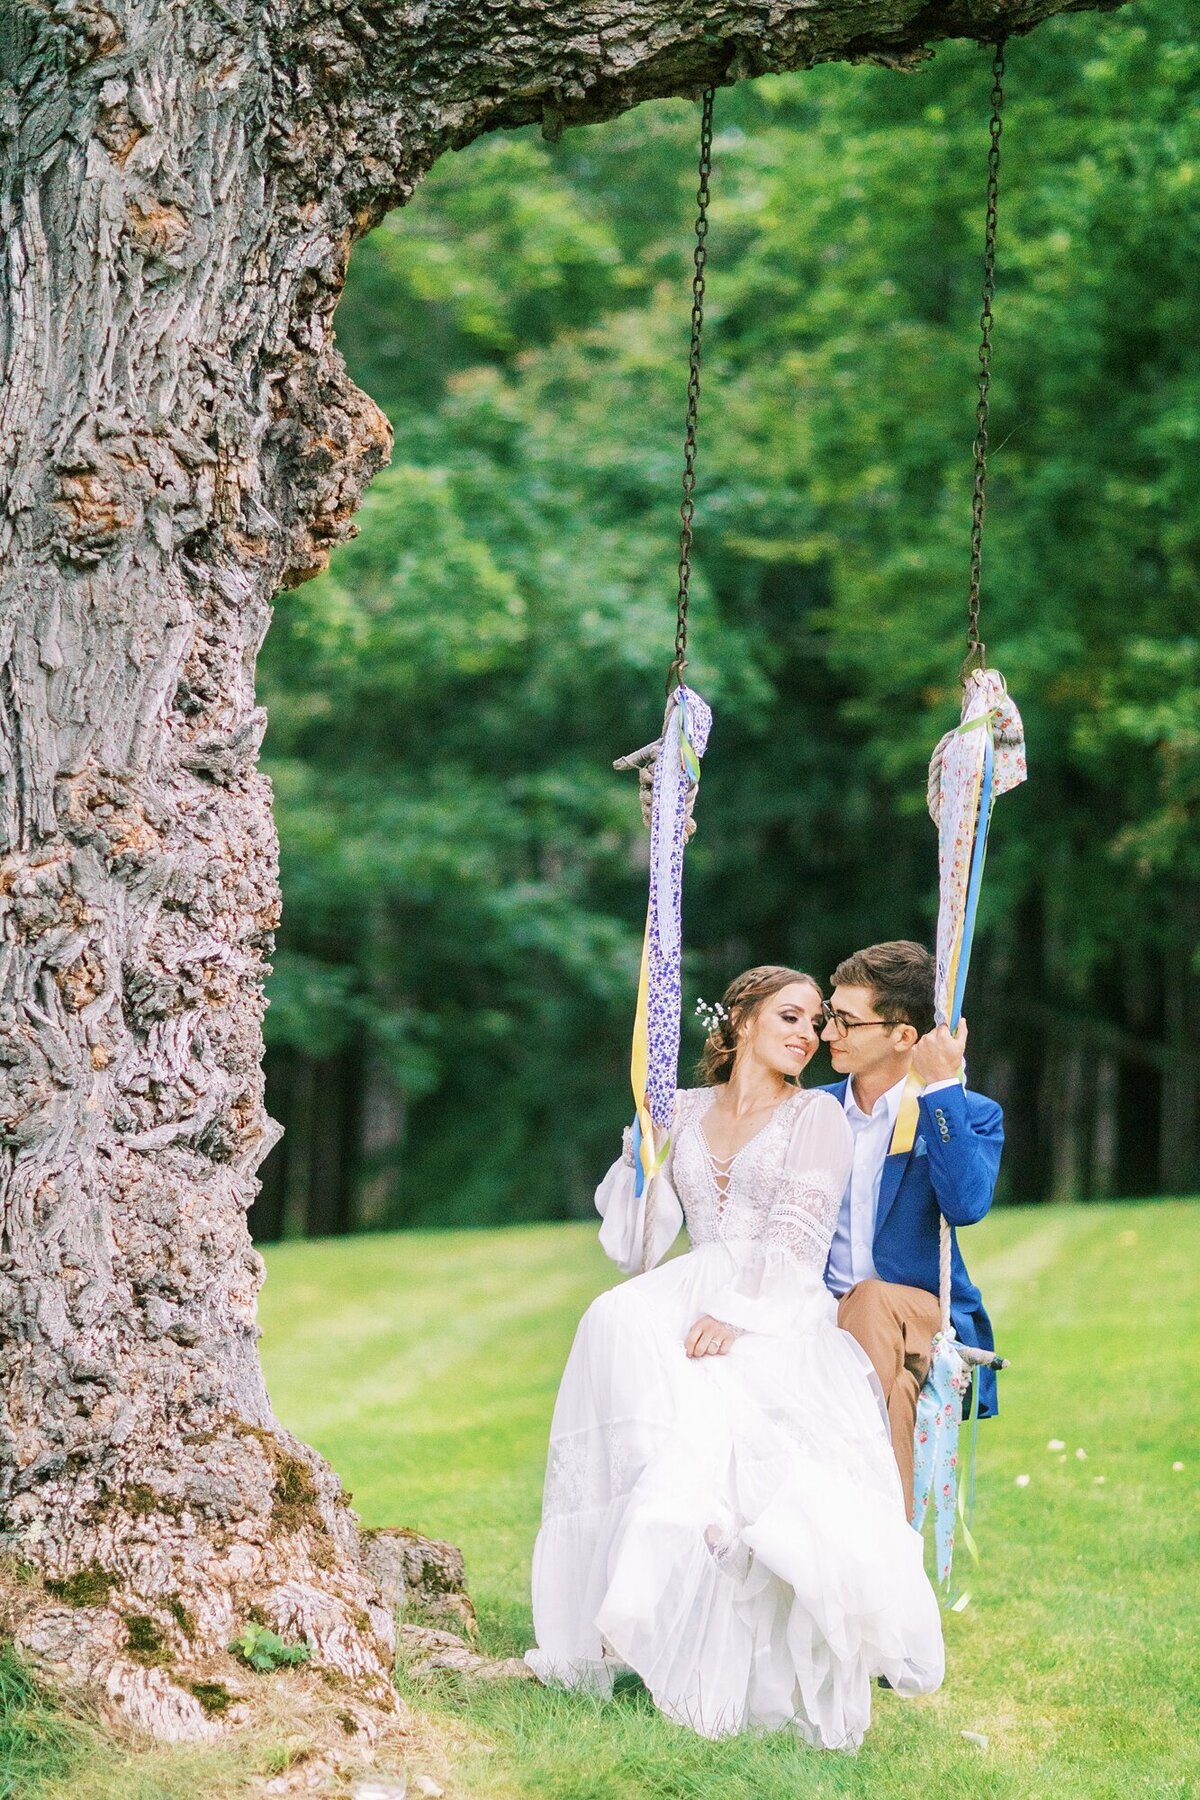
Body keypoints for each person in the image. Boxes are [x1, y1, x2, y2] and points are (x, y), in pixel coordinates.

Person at [525, 965, 944, 1751]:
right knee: (612, 1316)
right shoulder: (681, 1109)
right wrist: (639, 1161)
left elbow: (799, 1233)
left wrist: (743, 1314)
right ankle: (654, 1538)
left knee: (727, 1387)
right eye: (789, 1015)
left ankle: (706, 1539)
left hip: (772, 1296)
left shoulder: (813, 1116)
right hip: (691, 1279)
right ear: (743, 1020)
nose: (807, 1034)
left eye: (817, 1021)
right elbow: (639, 1250)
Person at [818, 941, 1003, 1517]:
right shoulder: (811, 1112)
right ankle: (888, 1562)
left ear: (903, 1035)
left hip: (922, 1313)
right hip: (820, 1312)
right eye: (829, 1016)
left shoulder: (964, 1111)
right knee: (896, 1392)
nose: (828, 1034)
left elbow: (968, 1203)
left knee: (871, 1300)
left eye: (846, 1022)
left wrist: (943, 1085)